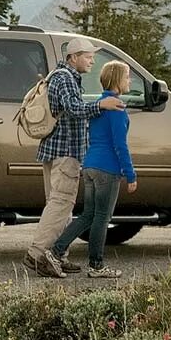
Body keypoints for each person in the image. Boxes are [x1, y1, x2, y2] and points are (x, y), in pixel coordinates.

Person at [24, 36, 126, 279]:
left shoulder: (60, 77)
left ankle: (59, 257)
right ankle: (38, 255)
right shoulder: (66, 79)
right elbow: (74, 109)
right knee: (61, 203)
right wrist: (102, 106)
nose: (92, 61)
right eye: (88, 57)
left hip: (55, 150)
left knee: (60, 205)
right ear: (73, 57)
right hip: (65, 152)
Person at [49, 61, 135, 279]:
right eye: (127, 76)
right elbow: (120, 145)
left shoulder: (98, 104)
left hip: (89, 166)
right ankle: (96, 266)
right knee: (102, 218)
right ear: (117, 79)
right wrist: (130, 174)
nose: (130, 80)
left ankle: (56, 251)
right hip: (107, 169)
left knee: (88, 215)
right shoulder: (116, 108)